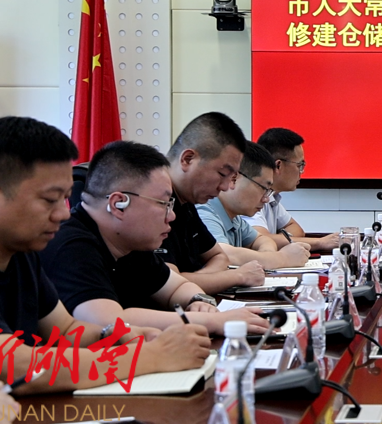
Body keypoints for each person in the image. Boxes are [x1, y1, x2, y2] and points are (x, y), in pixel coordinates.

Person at [0, 117, 210, 393]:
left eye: (65, 198)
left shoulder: (18, 250)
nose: (63, 213)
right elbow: (12, 367)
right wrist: (152, 356)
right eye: (49, 200)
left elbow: (65, 330)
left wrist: (115, 335)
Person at [41, 140, 270, 336]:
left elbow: (176, 287)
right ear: (118, 204)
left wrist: (199, 301)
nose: (171, 216)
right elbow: (108, 322)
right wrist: (211, 321)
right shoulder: (71, 244)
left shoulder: (130, 243)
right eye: (163, 204)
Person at [161, 112, 265, 294]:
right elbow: (166, 282)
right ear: (188, 159)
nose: (224, 187)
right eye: (222, 174)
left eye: (231, 177)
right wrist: (238, 276)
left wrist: (194, 281)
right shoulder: (154, 205)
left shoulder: (187, 202)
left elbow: (219, 257)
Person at [198, 142, 311, 268]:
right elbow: (222, 254)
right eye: (264, 188)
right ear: (233, 179)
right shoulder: (203, 211)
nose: (266, 199)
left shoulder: (235, 219)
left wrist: (268, 257)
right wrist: (282, 259)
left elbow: (263, 240)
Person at [247, 128, 340, 251]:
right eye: (299, 165)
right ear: (278, 165)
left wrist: (282, 239)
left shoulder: (272, 196)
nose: (302, 172)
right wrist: (320, 242)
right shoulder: (251, 197)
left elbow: (297, 229)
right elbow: (260, 239)